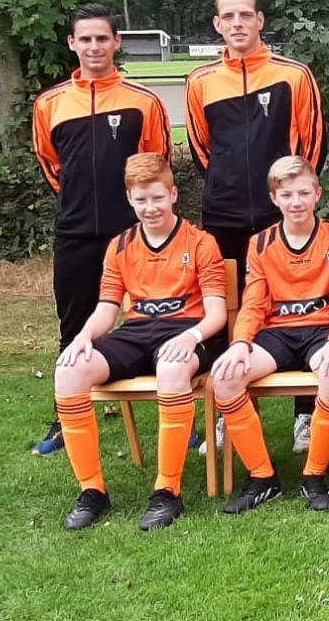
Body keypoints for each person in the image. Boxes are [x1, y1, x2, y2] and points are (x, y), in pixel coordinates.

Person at [51, 153, 226, 532]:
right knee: (69, 371)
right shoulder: (119, 246)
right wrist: (83, 337)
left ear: (173, 195)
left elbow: (217, 313)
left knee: (172, 367)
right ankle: (92, 491)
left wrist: (191, 336)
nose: (151, 207)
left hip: (188, 332)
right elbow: (107, 308)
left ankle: (167, 490)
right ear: (130, 199)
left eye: (158, 198)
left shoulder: (201, 242)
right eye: (142, 200)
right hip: (137, 332)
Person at [185, 0, 326, 452]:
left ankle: (305, 413)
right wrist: (229, 185)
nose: (237, 23)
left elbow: (311, 148)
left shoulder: (293, 75)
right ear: (217, 23)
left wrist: (288, 199)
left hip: (279, 213)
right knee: (227, 311)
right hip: (224, 214)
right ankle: (230, 411)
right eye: (228, 16)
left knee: (298, 307)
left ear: (260, 20)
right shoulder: (200, 81)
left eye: (245, 14)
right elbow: (203, 150)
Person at [28, 3, 172, 455]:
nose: (94, 46)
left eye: (102, 38)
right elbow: (53, 167)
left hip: (133, 233)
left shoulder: (143, 101)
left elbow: (156, 167)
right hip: (75, 232)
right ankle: (65, 416)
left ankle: (174, 412)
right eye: (85, 39)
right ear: (72, 43)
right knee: (73, 323)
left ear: (116, 42)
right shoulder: (49, 104)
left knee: (154, 320)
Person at [208, 157, 329, 514]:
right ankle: (263, 478)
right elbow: (253, 304)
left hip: (324, 331)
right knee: (225, 378)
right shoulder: (260, 243)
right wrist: (240, 343)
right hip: (278, 332)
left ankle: (314, 475)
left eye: (304, 193)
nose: (296, 202)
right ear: (274, 198)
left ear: (317, 194)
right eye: (287, 194)